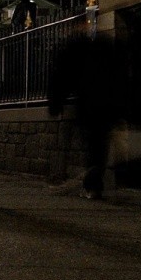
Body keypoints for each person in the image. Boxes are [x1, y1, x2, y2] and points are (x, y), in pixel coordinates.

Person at [46, 26, 122, 199]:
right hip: (107, 103)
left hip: (89, 103)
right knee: (99, 143)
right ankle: (94, 180)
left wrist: (56, 103)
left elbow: (61, 76)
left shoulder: (77, 47)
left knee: (91, 141)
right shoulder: (106, 46)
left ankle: (91, 183)